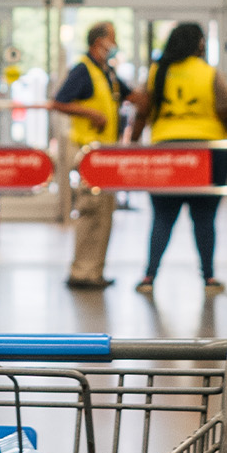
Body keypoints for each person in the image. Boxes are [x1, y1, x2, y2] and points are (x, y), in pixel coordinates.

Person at [126, 22, 227, 292]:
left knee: (162, 217)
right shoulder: (210, 73)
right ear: (198, 43)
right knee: (205, 217)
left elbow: (142, 111)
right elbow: (225, 108)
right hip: (207, 150)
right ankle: (208, 277)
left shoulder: (156, 73)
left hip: (167, 151)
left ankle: (149, 276)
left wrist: (135, 142)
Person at [48, 21, 144, 289]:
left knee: (105, 213)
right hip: (87, 151)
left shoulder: (107, 72)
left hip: (105, 153)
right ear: (98, 42)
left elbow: (132, 96)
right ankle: (82, 271)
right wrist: (91, 113)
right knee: (91, 211)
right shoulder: (83, 69)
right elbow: (58, 102)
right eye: (111, 40)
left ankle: (95, 270)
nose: (114, 46)